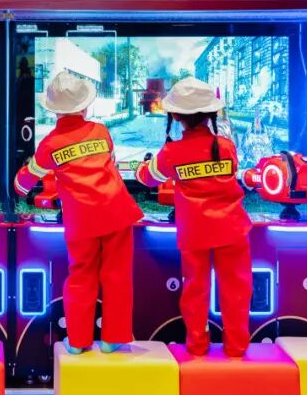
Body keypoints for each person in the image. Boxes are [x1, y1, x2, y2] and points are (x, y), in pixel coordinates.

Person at [14, 72, 143, 354]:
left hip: (81, 220)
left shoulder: (50, 144)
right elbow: (108, 162)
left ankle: (78, 341)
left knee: (81, 277)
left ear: (54, 110)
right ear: (84, 107)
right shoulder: (101, 131)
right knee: (117, 276)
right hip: (116, 211)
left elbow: (25, 182)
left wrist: (20, 182)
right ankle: (114, 337)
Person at [135, 77, 253, 357]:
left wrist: (142, 167)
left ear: (175, 116)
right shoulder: (226, 146)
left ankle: (197, 346)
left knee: (195, 290)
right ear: (211, 113)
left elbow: (148, 178)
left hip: (194, 232)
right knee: (236, 289)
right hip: (232, 229)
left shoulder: (172, 152)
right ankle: (237, 347)